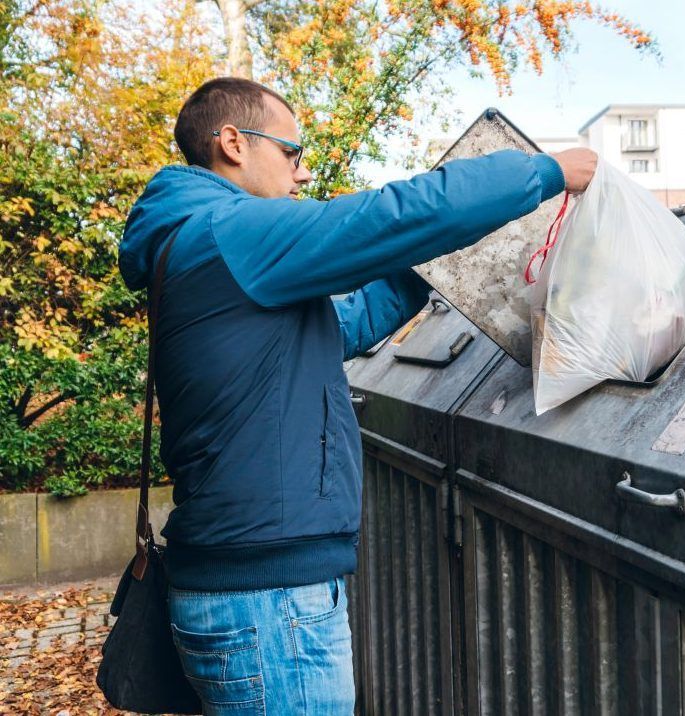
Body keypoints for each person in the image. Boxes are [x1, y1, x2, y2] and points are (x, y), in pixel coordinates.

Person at [118, 76, 597, 715]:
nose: (301, 169)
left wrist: (424, 266)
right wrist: (543, 172)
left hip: (252, 585)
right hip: (269, 599)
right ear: (233, 142)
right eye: (291, 152)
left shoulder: (198, 245)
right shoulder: (227, 232)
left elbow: (344, 324)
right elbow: (391, 214)